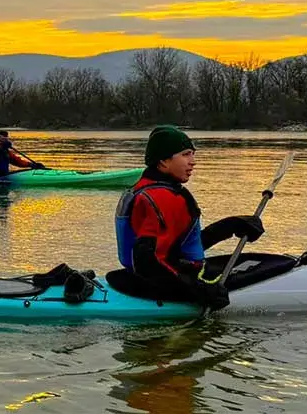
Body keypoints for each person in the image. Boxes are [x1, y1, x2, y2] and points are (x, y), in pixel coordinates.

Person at [110, 125, 264, 310]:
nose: (193, 162)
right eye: (185, 155)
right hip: (165, 285)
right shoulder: (161, 198)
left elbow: (178, 248)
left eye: (192, 154)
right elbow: (146, 262)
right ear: (163, 162)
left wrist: (231, 226)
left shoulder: (150, 189)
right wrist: (199, 290)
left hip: (155, 277)